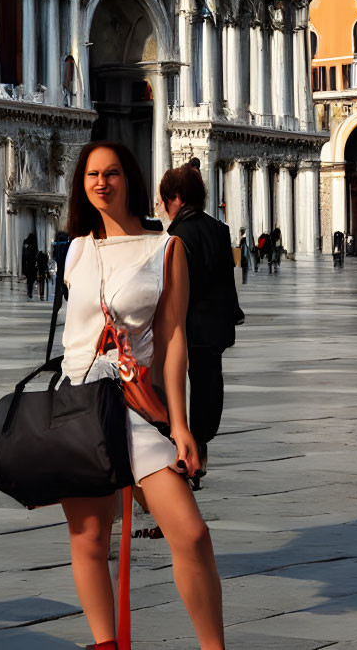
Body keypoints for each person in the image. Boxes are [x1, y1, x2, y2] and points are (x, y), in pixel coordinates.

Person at [58, 141, 223, 650]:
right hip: (80, 404)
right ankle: (106, 643)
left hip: (133, 404)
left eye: (111, 173)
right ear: (82, 186)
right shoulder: (76, 248)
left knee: (190, 533)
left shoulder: (166, 248)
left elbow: (173, 341)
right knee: (89, 539)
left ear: (129, 178)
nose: (101, 183)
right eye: (91, 176)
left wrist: (180, 423)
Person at [160, 165, 241, 483]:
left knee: (174, 387)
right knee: (209, 386)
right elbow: (227, 278)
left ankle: (180, 450)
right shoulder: (220, 230)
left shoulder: (176, 236)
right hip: (216, 325)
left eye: (165, 201)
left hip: (186, 325)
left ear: (176, 198)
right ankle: (202, 449)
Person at [21, 232, 37, 300]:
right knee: (32, 280)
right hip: (32, 265)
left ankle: (29, 293)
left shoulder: (26, 243)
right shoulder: (34, 245)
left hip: (28, 265)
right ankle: (30, 293)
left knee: (29, 281)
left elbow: (24, 256)